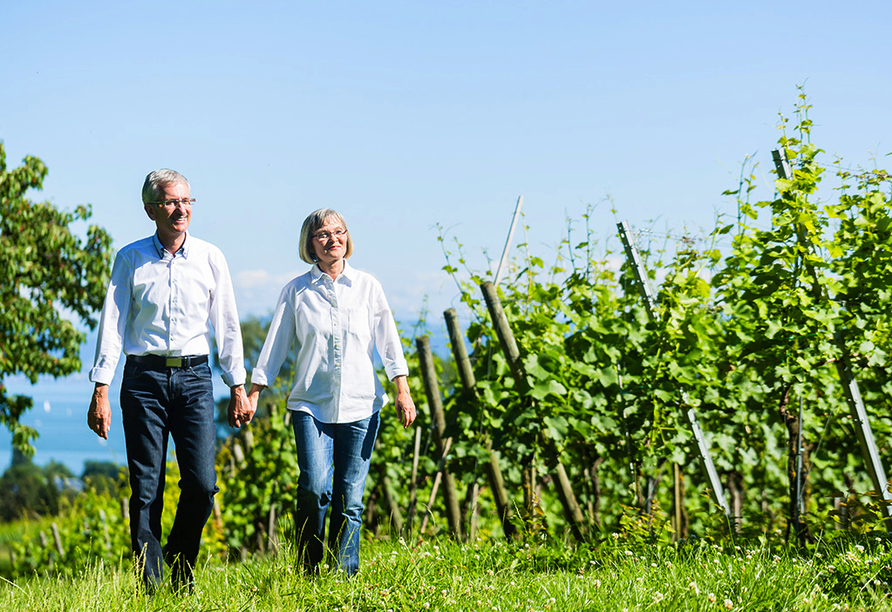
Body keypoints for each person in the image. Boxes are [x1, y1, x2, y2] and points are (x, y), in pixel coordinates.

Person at [87, 169, 254, 593]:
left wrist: (238, 384)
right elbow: (113, 324)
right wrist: (101, 387)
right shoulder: (130, 258)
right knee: (146, 486)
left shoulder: (211, 257)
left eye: (187, 202)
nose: (181, 209)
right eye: (171, 202)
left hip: (196, 377)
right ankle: (152, 587)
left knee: (200, 483)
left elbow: (227, 324)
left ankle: (180, 569)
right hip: (143, 379)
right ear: (150, 210)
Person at [247, 208, 416, 576]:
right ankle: (308, 568)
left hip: (362, 404)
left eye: (338, 232)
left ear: (347, 238)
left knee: (350, 499)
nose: (332, 240)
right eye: (322, 234)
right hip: (311, 405)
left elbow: (389, 342)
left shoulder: (368, 287)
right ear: (310, 243)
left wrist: (402, 389)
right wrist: (255, 390)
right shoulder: (296, 291)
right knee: (314, 487)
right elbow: (276, 343)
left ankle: (343, 576)